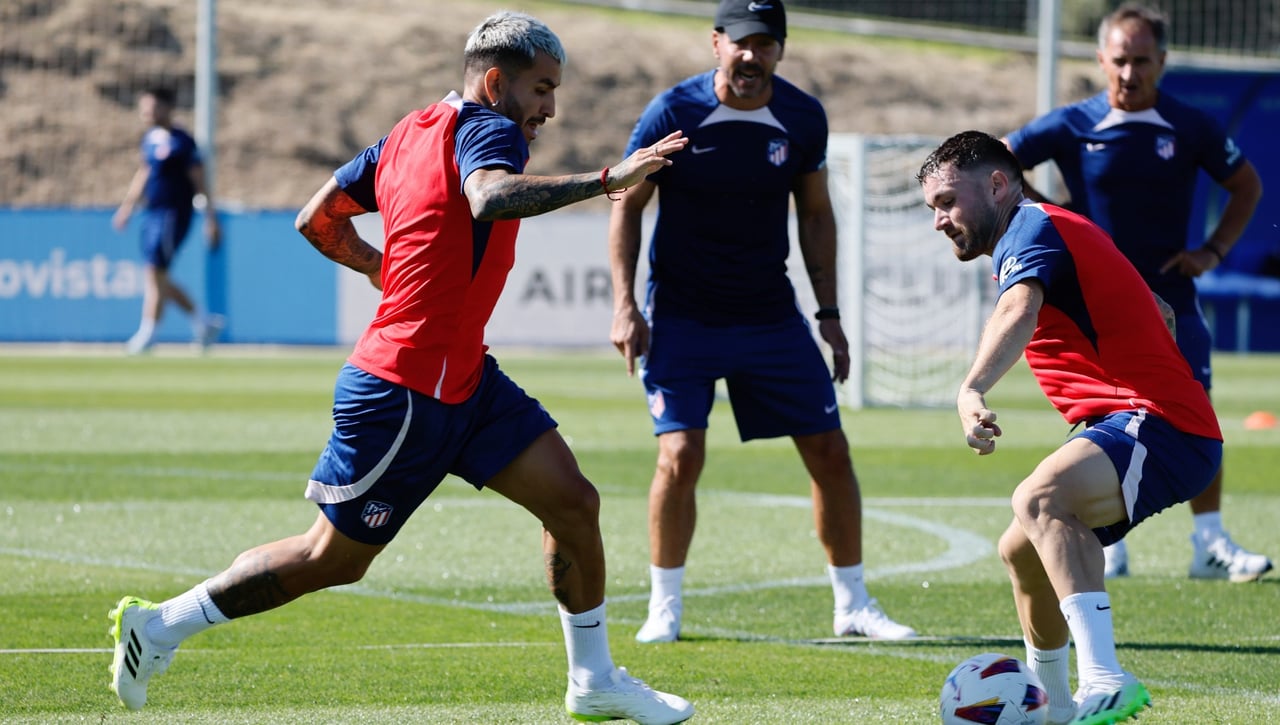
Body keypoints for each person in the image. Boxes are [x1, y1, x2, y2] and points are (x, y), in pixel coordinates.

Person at [107, 12, 695, 724]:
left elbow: (316, 218)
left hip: (467, 381)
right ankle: (160, 625)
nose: (549, 107)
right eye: (542, 88)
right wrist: (610, 178)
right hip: (405, 391)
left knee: (573, 502)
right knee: (331, 557)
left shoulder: (407, 133)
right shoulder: (490, 127)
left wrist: (384, 268)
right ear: (493, 82)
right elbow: (488, 196)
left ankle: (594, 680)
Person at [608, 0, 914, 644]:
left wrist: (829, 315)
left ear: (780, 48)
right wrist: (625, 304)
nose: (752, 56)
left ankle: (852, 604)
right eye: (740, 43)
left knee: (831, 451)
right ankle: (664, 605)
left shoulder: (803, 117)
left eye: (765, 43)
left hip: (770, 315)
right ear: (716, 43)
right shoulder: (674, 112)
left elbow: (816, 216)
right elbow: (627, 205)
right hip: (684, 318)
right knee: (680, 455)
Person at [918, 130, 1224, 725]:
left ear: (998, 184)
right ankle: (1059, 709)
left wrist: (971, 388)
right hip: (1134, 419)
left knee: (1038, 498)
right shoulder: (1047, 226)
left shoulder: (1029, 229)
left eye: (949, 201)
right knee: (1022, 550)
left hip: (1157, 424)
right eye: (934, 208)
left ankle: (1105, 678)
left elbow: (1020, 309)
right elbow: (1158, 308)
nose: (940, 220)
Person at [1003, 2, 1271, 583]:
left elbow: (1246, 184)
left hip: (1174, 295)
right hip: (1098, 311)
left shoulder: (1189, 124)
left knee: (1193, 408)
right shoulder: (1075, 123)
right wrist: (1046, 213)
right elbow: (1001, 159)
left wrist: (1213, 251)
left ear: (1163, 62)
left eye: (1142, 61)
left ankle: (1209, 540)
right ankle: (1109, 540)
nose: (1130, 74)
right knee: (1107, 412)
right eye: (1119, 61)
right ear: (1101, 59)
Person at [112, 86, 224, 355]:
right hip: (151, 213)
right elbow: (144, 173)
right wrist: (127, 207)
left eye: (151, 107)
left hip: (173, 214)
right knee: (156, 275)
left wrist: (211, 217)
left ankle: (148, 333)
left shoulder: (182, 141)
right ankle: (203, 322)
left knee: (155, 272)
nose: (146, 113)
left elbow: (199, 180)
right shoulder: (149, 139)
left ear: (166, 107)